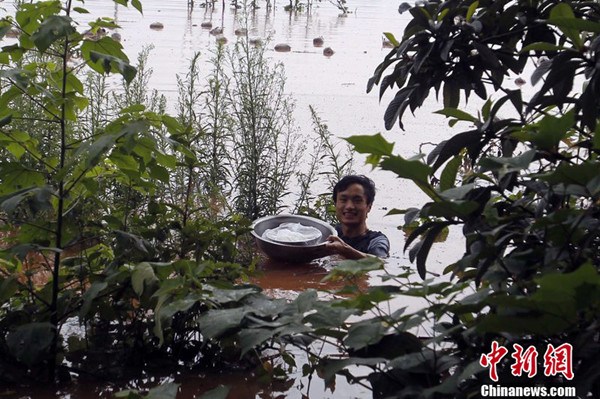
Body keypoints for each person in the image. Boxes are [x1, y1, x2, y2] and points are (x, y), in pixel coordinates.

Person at [324, 175, 390, 259]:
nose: (349, 206)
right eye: (343, 200)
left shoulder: (376, 241)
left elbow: (381, 263)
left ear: (369, 207)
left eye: (357, 201)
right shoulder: (332, 233)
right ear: (335, 204)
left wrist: (346, 250)